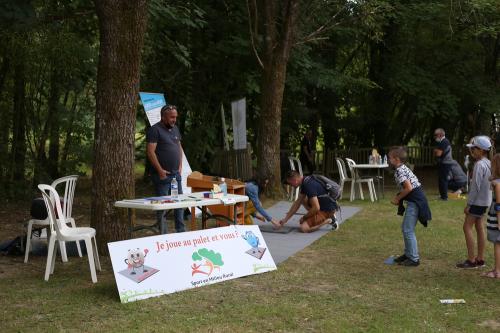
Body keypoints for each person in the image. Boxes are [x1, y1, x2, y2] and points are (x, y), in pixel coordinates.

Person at [388, 146, 431, 267]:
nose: (388, 160)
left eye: (390, 158)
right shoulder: (401, 168)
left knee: (408, 229)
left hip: (416, 202)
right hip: (415, 200)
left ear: (396, 159)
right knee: (406, 228)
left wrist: (397, 198)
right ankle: (408, 254)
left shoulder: (400, 170)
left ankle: (413, 258)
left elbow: (408, 188)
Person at [146, 104, 185, 234]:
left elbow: (178, 147)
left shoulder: (175, 129)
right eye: (171, 117)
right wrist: (160, 170)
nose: (174, 120)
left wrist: (180, 166)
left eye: (175, 117)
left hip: (175, 176)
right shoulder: (155, 130)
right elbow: (150, 152)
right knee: (162, 205)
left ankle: (180, 231)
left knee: (178, 204)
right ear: (163, 117)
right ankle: (163, 235)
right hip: (162, 176)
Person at [456, 136, 492, 268]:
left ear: (481, 150)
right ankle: (480, 259)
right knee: (479, 227)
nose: (472, 152)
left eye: (473, 149)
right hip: (485, 202)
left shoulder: (479, 165)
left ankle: (471, 260)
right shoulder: (489, 163)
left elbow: (475, 187)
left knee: (467, 227)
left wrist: (469, 205)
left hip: (477, 202)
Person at [483, 153, 500, 278]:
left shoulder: (497, 184)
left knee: (497, 243)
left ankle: (497, 271)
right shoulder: (495, 181)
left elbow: (499, 205)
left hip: (497, 217)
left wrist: (499, 221)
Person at [433, 128, 454, 200]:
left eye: (436, 135)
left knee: (443, 180)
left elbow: (438, 154)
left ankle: (444, 197)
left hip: (445, 163)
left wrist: (436, 151)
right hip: (445, 163)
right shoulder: (443, 142)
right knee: (441, 179)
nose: (435, 137)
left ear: (440, 134)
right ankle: (442, 196)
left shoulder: (444, 142)